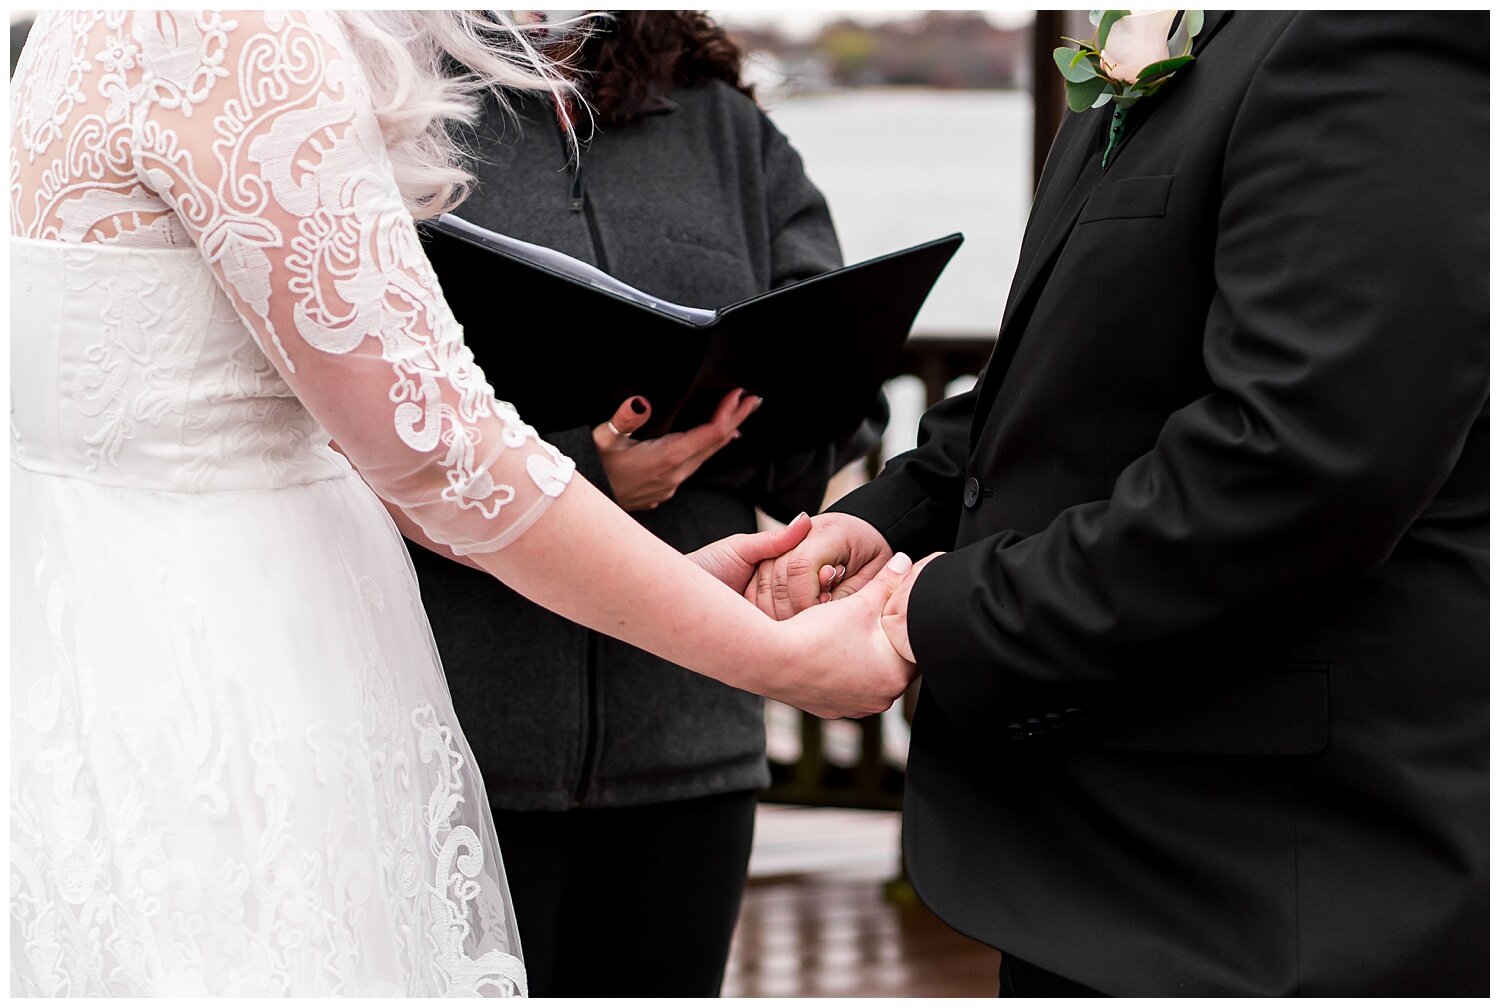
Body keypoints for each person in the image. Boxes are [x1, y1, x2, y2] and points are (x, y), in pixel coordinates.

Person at [8, 11, 914, 996]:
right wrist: (776, 657)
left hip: (99, 646)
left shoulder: (85, 27)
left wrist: (673, 582)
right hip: (231, 689)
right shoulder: (244, 31)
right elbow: (439, 454)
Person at [753, 10, 1487, 996]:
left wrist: (937, 619)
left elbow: (1301, 461)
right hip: (1098, 859)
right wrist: (885, 520)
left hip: (1264, 882)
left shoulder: (1370, 32)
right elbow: (1063, 375)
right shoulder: (1181, 33)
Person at [407, 11, 885, 996]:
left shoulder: (723, 127)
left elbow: (845, 385)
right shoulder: (411, 114)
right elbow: (348, 419)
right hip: (465, 746)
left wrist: (744, 432)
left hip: (691, 742)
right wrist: (588, 467)